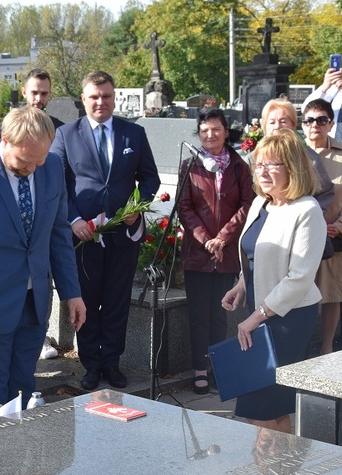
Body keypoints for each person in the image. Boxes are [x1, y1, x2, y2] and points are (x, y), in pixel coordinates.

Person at [0, 107, 85, 420]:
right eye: (25, 162)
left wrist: (71, 293)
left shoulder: (50, 169)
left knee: (24, 388)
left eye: (40, 160)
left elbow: (58, 235)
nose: (33, 169)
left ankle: (22, 464)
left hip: (35, 303)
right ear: (4, 140)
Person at [51, 70, 160, 391]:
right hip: (83, 237)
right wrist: (73, 220)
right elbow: (58, 185)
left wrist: (135, 207)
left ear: (114, 98)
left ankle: (111, 363)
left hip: (122, 237)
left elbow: (150, 178)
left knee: (116, 301)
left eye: (107, 96)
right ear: (83, 100)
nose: (101, 102)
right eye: (94, 97)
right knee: (86, 300)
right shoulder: (66, 135)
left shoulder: (134, 134)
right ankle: (90, 364)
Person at [221, 129, 326, 434]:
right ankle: (284, 474)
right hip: (259, 312)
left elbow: (300, 278)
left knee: (259, 408)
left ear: (292, 168)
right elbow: (254, 254)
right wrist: (241, 285)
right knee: (274, 408)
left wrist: (254, 318)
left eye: (273, 165)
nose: (262, 171)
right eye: (259, 165)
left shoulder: (307, 210)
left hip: (287, 318)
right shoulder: (261, 203)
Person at [177, 108, 254, 394]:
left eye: (216, 129)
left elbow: (247, 204)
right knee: (198, 313)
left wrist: (223, 238)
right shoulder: (190, 166)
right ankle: (199, 368)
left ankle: (217, 367)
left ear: (226, 131)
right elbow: (184, 207)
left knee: (220, 314)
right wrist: (205, 239)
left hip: (228, 252)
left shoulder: (238, 165)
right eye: (205, 130)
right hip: (198, 253)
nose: (210, 135)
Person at [301, 98, 342, 354]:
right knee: (300, 294)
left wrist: (341, 225)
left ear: (331, 124)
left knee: (332, 294)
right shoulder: (294, 152)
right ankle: (300, 349)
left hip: (334, 235)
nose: (315, 125)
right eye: (309, 120)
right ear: (303, 125)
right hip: (301, 237)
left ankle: (327, 348)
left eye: (321, 120)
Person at [0, 69, 65, 145]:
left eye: (44, 94)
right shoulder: (6, 128)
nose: (38, 99)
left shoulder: (59, 130)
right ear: (24, 92)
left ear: (49, 94)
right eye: (34, 93)